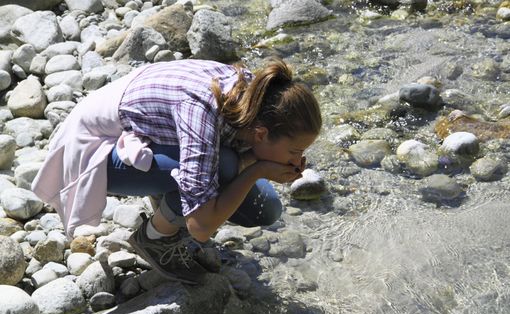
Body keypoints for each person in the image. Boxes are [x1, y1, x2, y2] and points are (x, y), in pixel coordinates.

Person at [32, 57, 322, 284]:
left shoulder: (259, 97)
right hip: (93, 148)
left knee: (266, 208)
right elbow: (201, 227)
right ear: (260, 134)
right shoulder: (203, 110)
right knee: (226, 166)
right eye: (295, 151)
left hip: (148, 131)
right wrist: (257, 170)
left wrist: (258, 166)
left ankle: (166, 202)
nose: (299, 158)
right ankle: (155, 238)